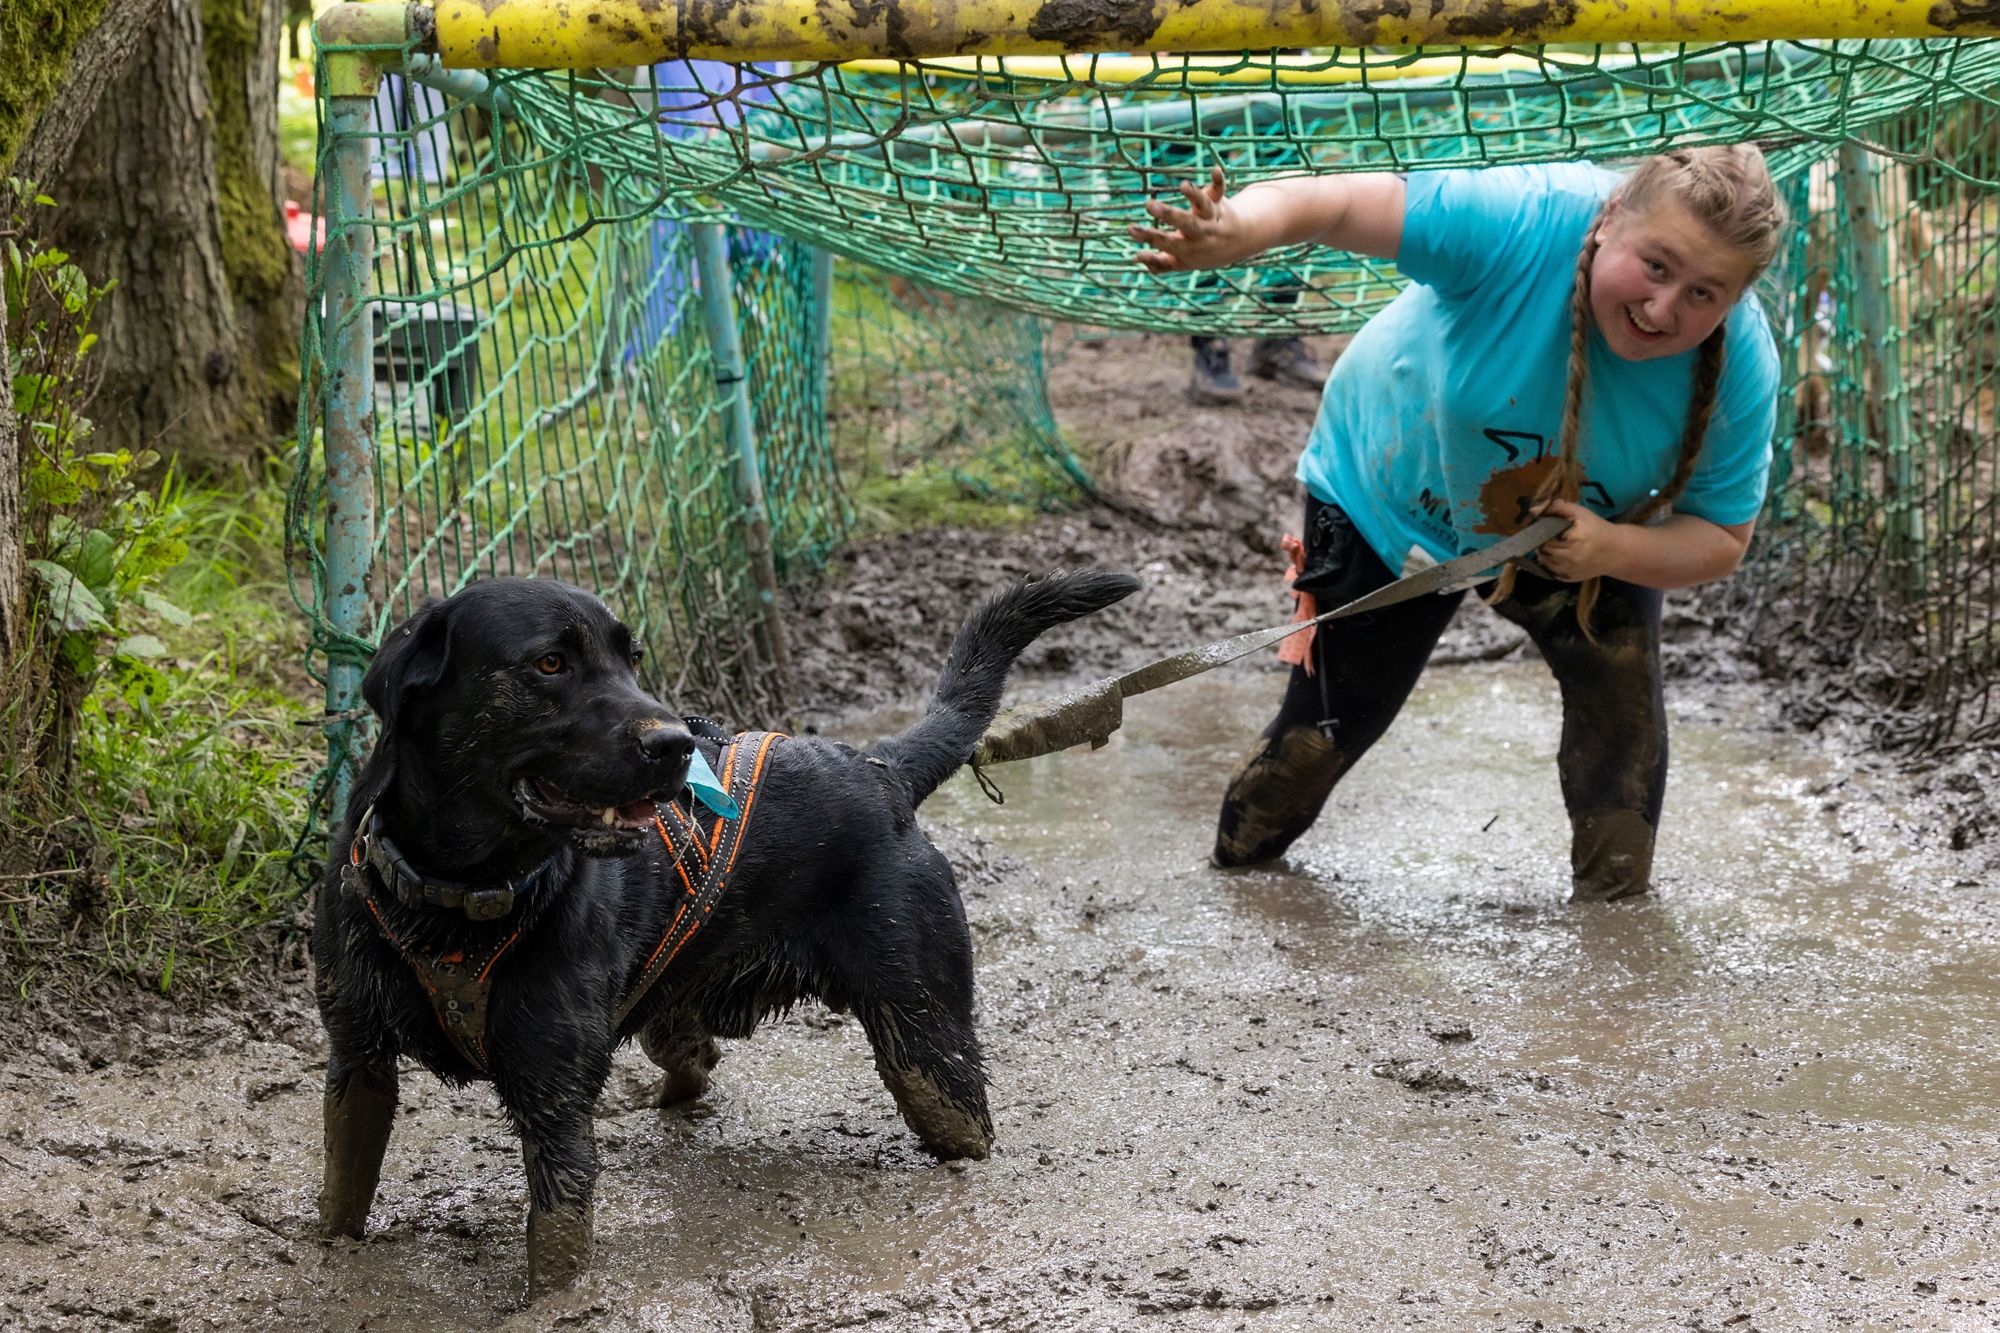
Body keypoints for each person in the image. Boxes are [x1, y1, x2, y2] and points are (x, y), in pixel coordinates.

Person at [1129, 148, 1785, 901]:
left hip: (1579, 534)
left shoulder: (1742, 366)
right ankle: (1237, 888)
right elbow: (1339, 202)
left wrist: (1612, 547)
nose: (1663, 310)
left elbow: (1721, 539)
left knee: (1623, 727)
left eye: (1703, 293)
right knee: (1323, 734)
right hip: (1391, 493)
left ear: (1736, 299)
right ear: (1607, 222)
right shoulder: (1523, 218)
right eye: (1656, 266)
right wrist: (1240, 229)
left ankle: (1616, 929)